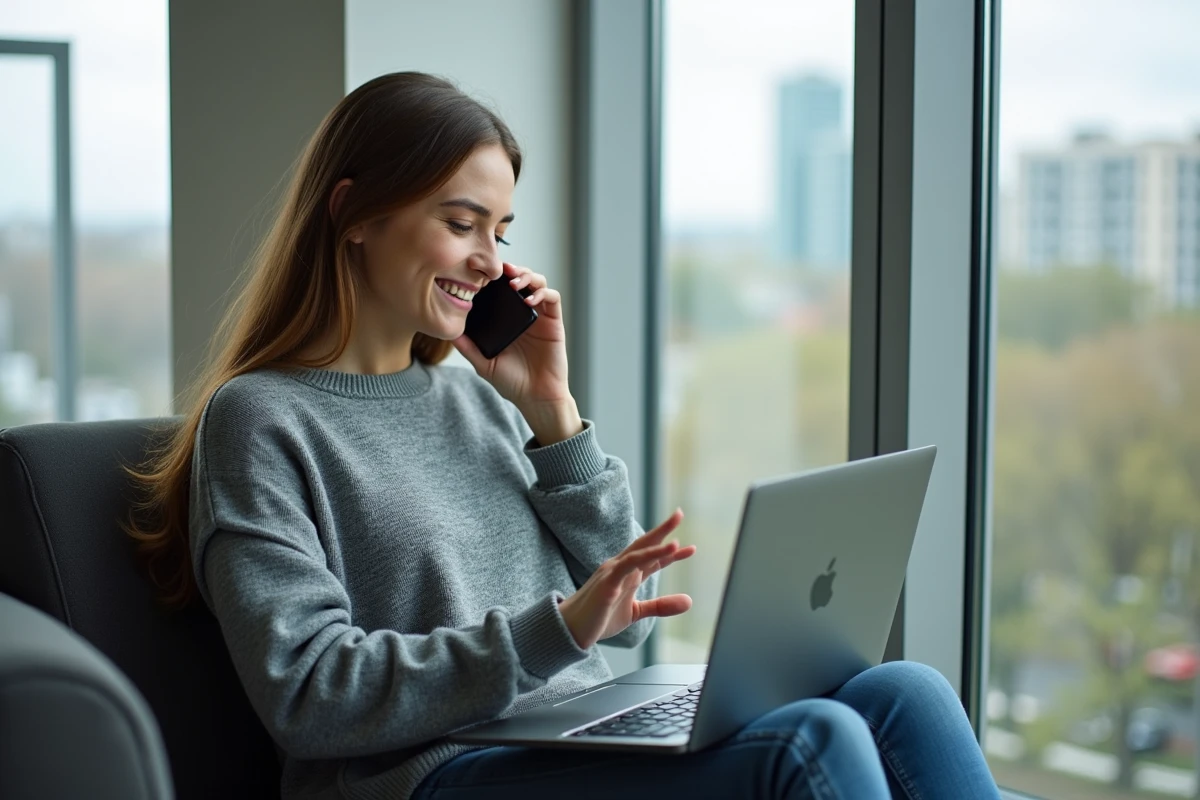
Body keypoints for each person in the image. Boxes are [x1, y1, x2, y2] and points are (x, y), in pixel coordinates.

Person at [127, 71, 1001, 800]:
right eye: (461, 223)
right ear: (355, 213)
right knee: (810, 743)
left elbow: (623, 622)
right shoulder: (261, 418)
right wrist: (554, 632)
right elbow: (310, 693)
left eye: (500, 233)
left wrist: (553, 412)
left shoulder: (474, 402)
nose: (489, 261)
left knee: (903, 691)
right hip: (436, 772)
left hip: (577, 729)